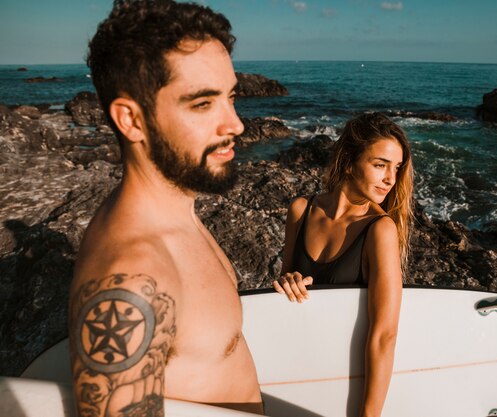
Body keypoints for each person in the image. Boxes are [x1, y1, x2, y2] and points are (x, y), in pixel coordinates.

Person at [69, 1, 263, 415]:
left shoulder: (177, 212)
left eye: (231, 97)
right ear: (132, 121)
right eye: (202, 104)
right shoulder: (132, 279)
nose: (236, 124)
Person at [273, 112, 414, 417]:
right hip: (298, 371)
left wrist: (369, 415)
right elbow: (286, 297)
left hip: (343, 384)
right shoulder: (301, 210)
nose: (391, 179)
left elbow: (384, 333)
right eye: (380, 165)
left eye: (396, 168)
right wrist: (287, 283)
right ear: (349, 161)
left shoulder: (379, 229)